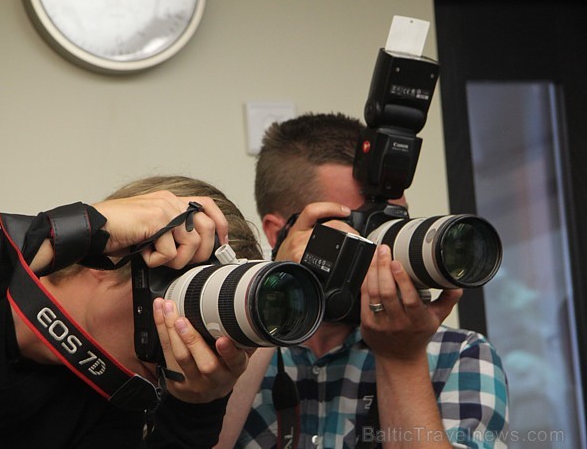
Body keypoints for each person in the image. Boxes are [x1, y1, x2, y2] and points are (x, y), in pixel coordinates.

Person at [0, 175, 263, 448]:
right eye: (187, 297)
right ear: (128, 250)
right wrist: (65, 233)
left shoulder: (114, 412)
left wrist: (195, 411)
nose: (195, 340)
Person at [216, 113, 509, 448]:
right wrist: (272, 301)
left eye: (394, 221)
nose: (380, 246)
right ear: (280, 232)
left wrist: (402, 359)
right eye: (356, 224)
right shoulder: (226, 350)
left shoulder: (458, 355)